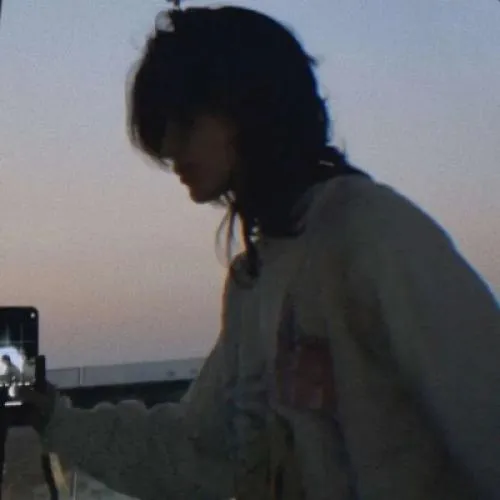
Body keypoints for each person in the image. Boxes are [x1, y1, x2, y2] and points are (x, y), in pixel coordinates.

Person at [22, 5, 500, 500]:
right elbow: (203, 451)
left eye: (184, 120)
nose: (169, 147)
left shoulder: (372, 232)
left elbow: (486, 413)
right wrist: (55, 418)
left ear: (252, 107)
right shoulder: (255, 279)